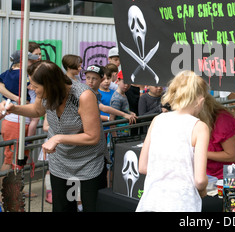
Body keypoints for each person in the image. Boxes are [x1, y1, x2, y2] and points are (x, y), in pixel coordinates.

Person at [0, 60, 108, 212]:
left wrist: (58, 138)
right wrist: (14, 109)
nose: (31, 88)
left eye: (35, 86)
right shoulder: (46, 94)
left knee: (91, 207)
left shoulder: (84, 96)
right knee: (62, 207)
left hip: (88, 162)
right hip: (61, 161)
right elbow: (37, 110)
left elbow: (93, 136)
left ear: (50, 85)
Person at [136, 70, 210, 212]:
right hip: (182, 204)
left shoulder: (158, 119)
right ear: (200, 100)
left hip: (151, 201)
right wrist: (203, 190)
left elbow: (143, 167)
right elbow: (200, 180)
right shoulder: (199, 127)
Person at [201, 94, 235, 192]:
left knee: (232, 202)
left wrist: (201, 153)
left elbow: (232, 155)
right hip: (213, 173)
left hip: (232, 170)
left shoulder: (221, 120)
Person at [0, 51, 38, 174]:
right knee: (11, 159)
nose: (33, 63)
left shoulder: (6, 74)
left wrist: (14, 98)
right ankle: (4, 192)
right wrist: (18, 99)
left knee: (16, 159)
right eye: (31, 61)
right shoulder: (25, 76)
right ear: (22, 61)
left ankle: (16, 191)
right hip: (17, 121)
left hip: (13, 120)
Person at [109, 71, 135, 137]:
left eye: (129, 83)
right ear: (118, 81)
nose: (126, 85)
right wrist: (114, 136)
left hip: (124, 131)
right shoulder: (117, 98)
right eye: (124, 82)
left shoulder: (123, 95)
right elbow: (112, 119)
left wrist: (130, 113)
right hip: (118, 134)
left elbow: (123, 110)